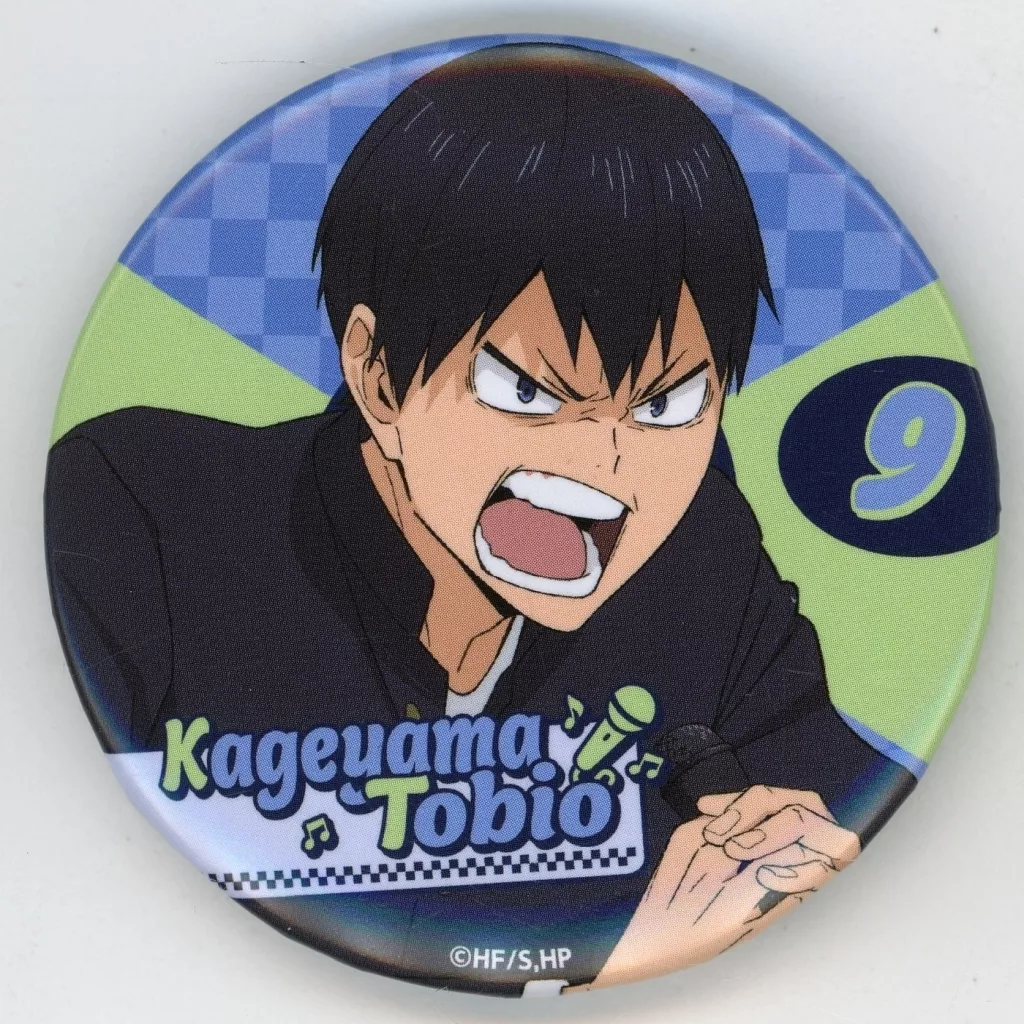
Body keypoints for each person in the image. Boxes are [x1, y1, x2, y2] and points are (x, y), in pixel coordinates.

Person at [45, 43, 914, 992]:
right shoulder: (142, 517)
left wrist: (806, 864)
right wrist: (610, 968)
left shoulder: (702, 552)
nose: (607, 465)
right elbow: (87, 893)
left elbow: (844, 808)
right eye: (527, 392)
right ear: (377, 372)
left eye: (666, 403)